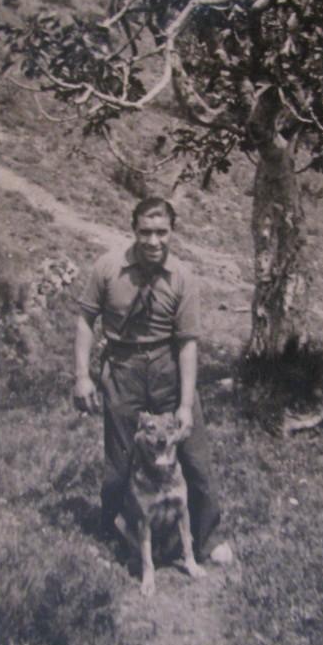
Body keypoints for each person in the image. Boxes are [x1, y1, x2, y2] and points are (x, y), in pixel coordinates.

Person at [73, 196, 231, 564]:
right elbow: (85, 320)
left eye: (162, 232)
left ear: (172, 232)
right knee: (119, 463)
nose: (154, 241)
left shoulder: (182, 277)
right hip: (124, 369)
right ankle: (113, 532)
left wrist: (186, 404)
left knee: (195, 460)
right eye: (146, 232)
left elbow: (188, 343)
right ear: (134, 230)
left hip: (167, 368)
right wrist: (82, 376)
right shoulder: (108, 268)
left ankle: (204, 539)